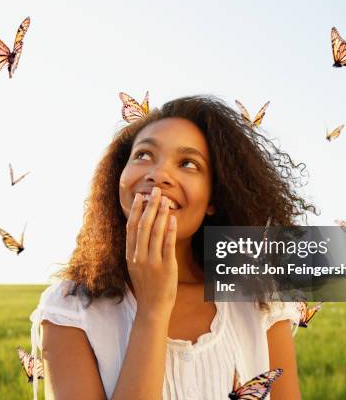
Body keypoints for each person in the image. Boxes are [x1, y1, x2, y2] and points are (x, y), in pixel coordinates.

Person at [30, 95, 316, 399]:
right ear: (119, 177)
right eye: (143, 155)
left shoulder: (259, 299)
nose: (159, 174)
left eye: (188, 163)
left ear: (214, 199)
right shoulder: (70, 309)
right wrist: (152, 309)